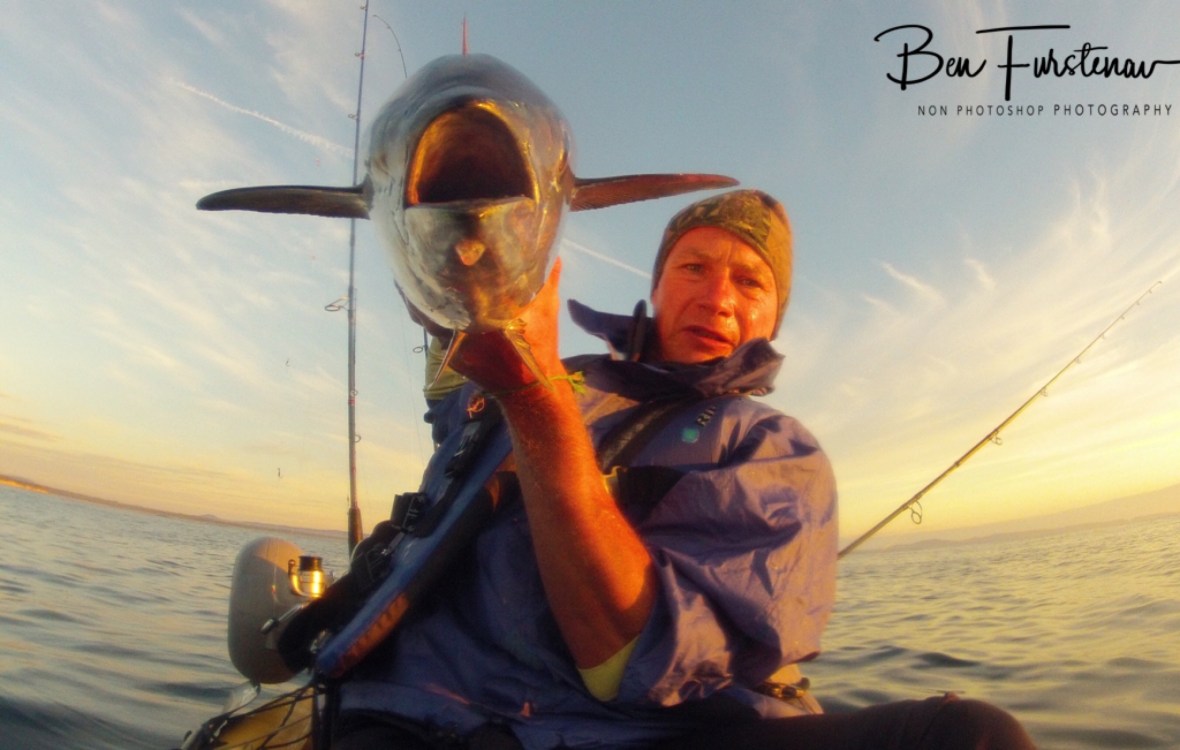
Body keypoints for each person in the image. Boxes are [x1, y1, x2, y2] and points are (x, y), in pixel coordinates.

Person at [331, 190, 1035, 749]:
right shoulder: (558, 368)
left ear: (773, 317)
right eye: (693, 268)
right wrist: (448, 252)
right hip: (416, 711)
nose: (718, 297)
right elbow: (450, 391)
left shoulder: (773, 450)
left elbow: (633, 663)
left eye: (750, 281)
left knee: (972, 739)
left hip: (643, 729)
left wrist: (536, 399)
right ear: (658, 285)